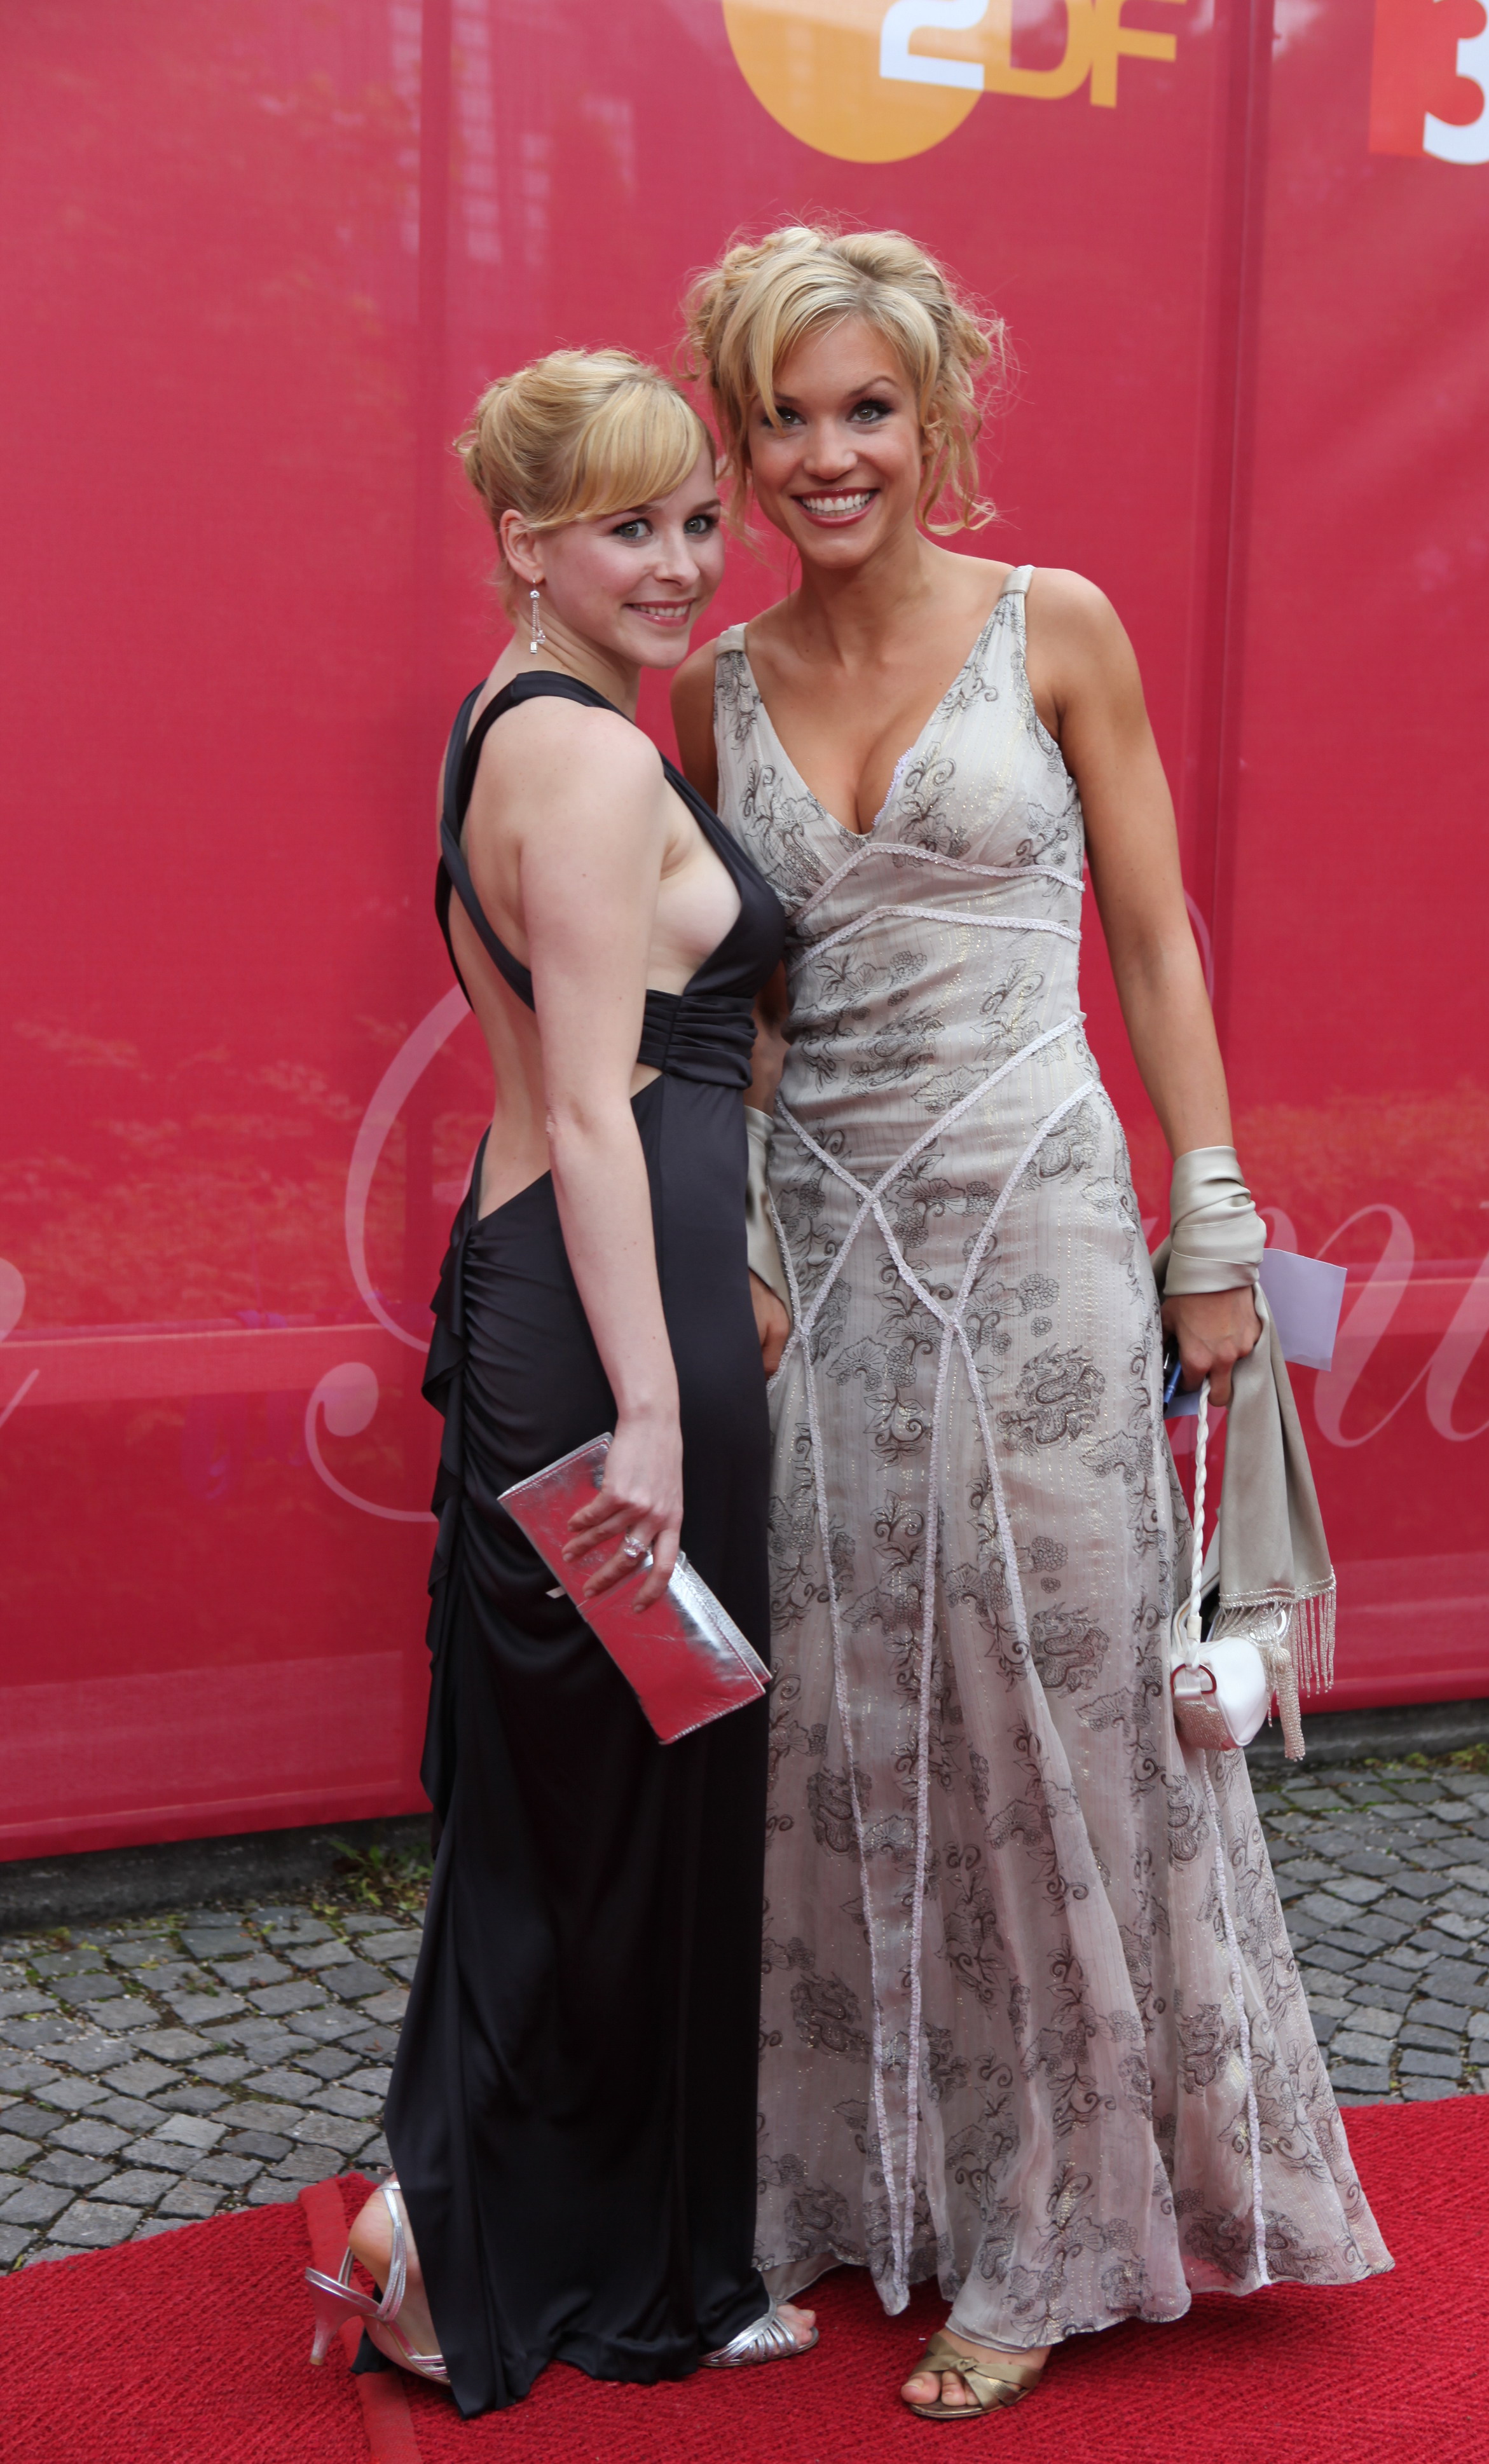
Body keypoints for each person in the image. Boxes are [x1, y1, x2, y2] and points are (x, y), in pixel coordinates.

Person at [673, 228, 1390, 2422]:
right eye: (785, 417)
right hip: (824, 1254)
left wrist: (1210, 1219)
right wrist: (743, 1245)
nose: (828, 455)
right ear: (740, 439)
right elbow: (742, 1018)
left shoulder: (1052, 624)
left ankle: (1067, 2218)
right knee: (849, 1711)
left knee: (1070, 1708)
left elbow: (1155, 943)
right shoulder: (711, 689)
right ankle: (867, 2172)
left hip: (1044, 1225)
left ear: (935, 414)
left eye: (867, 409)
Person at [303, 348, 815, 2416]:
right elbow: (598, 1109)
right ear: (526, 542)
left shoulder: (516, 719)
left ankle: (492, 2236)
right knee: (614, 1803)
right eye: (628, 528)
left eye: (697, 520)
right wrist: (661, 1413)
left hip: (600, 1308)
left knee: (601, 1797)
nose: (682, 562)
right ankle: (492, 2251)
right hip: (613, 1337)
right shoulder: (590, 760)